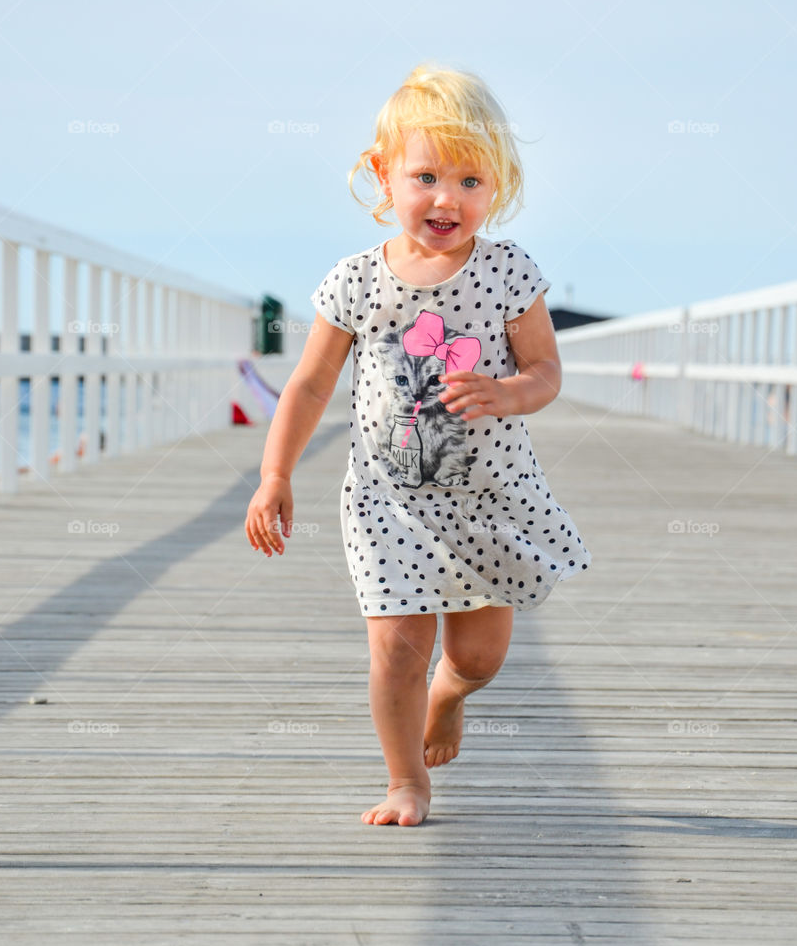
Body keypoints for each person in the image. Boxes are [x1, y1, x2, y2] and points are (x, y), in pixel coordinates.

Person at [245, 63, 593, 827]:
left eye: (470, 181)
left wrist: (508, 392)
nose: (447, 198)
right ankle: (406, 781)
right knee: (396, 647)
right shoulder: (356, 282)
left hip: (488, 494)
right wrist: (275, 473)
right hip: (387, 499)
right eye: (426, 175)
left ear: (497, 186)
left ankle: (450, 694)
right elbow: (307, 385)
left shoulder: (509, 272)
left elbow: (544, 370)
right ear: (382, 174)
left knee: (478, 656)